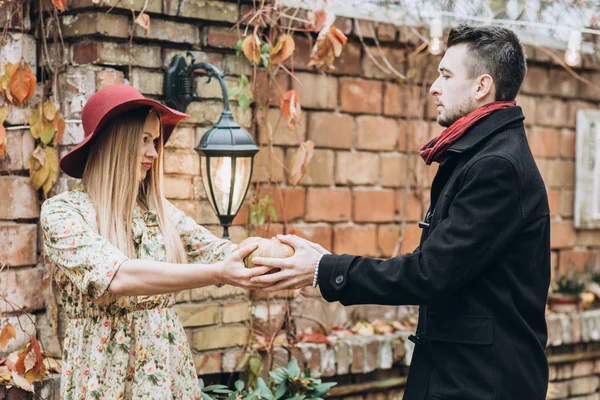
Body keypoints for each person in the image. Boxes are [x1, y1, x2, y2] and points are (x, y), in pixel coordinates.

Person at [250, 25, 550, 400]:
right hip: (463, 377)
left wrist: (323, 269)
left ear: (481, 86)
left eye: (445, 75)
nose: (433, 88)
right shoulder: (481, 154)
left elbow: (430, 272)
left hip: (483, 385)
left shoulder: (497, 166)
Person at [40, 84, 270, 399]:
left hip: (166, 371)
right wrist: (217, 273)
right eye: (144, 140)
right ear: (114, 143)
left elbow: (218, 251)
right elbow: (119, 276)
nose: (154, 152)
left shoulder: (158, 212)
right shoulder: (63, 213)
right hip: (102, 374)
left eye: (156, 141)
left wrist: (279, 256)